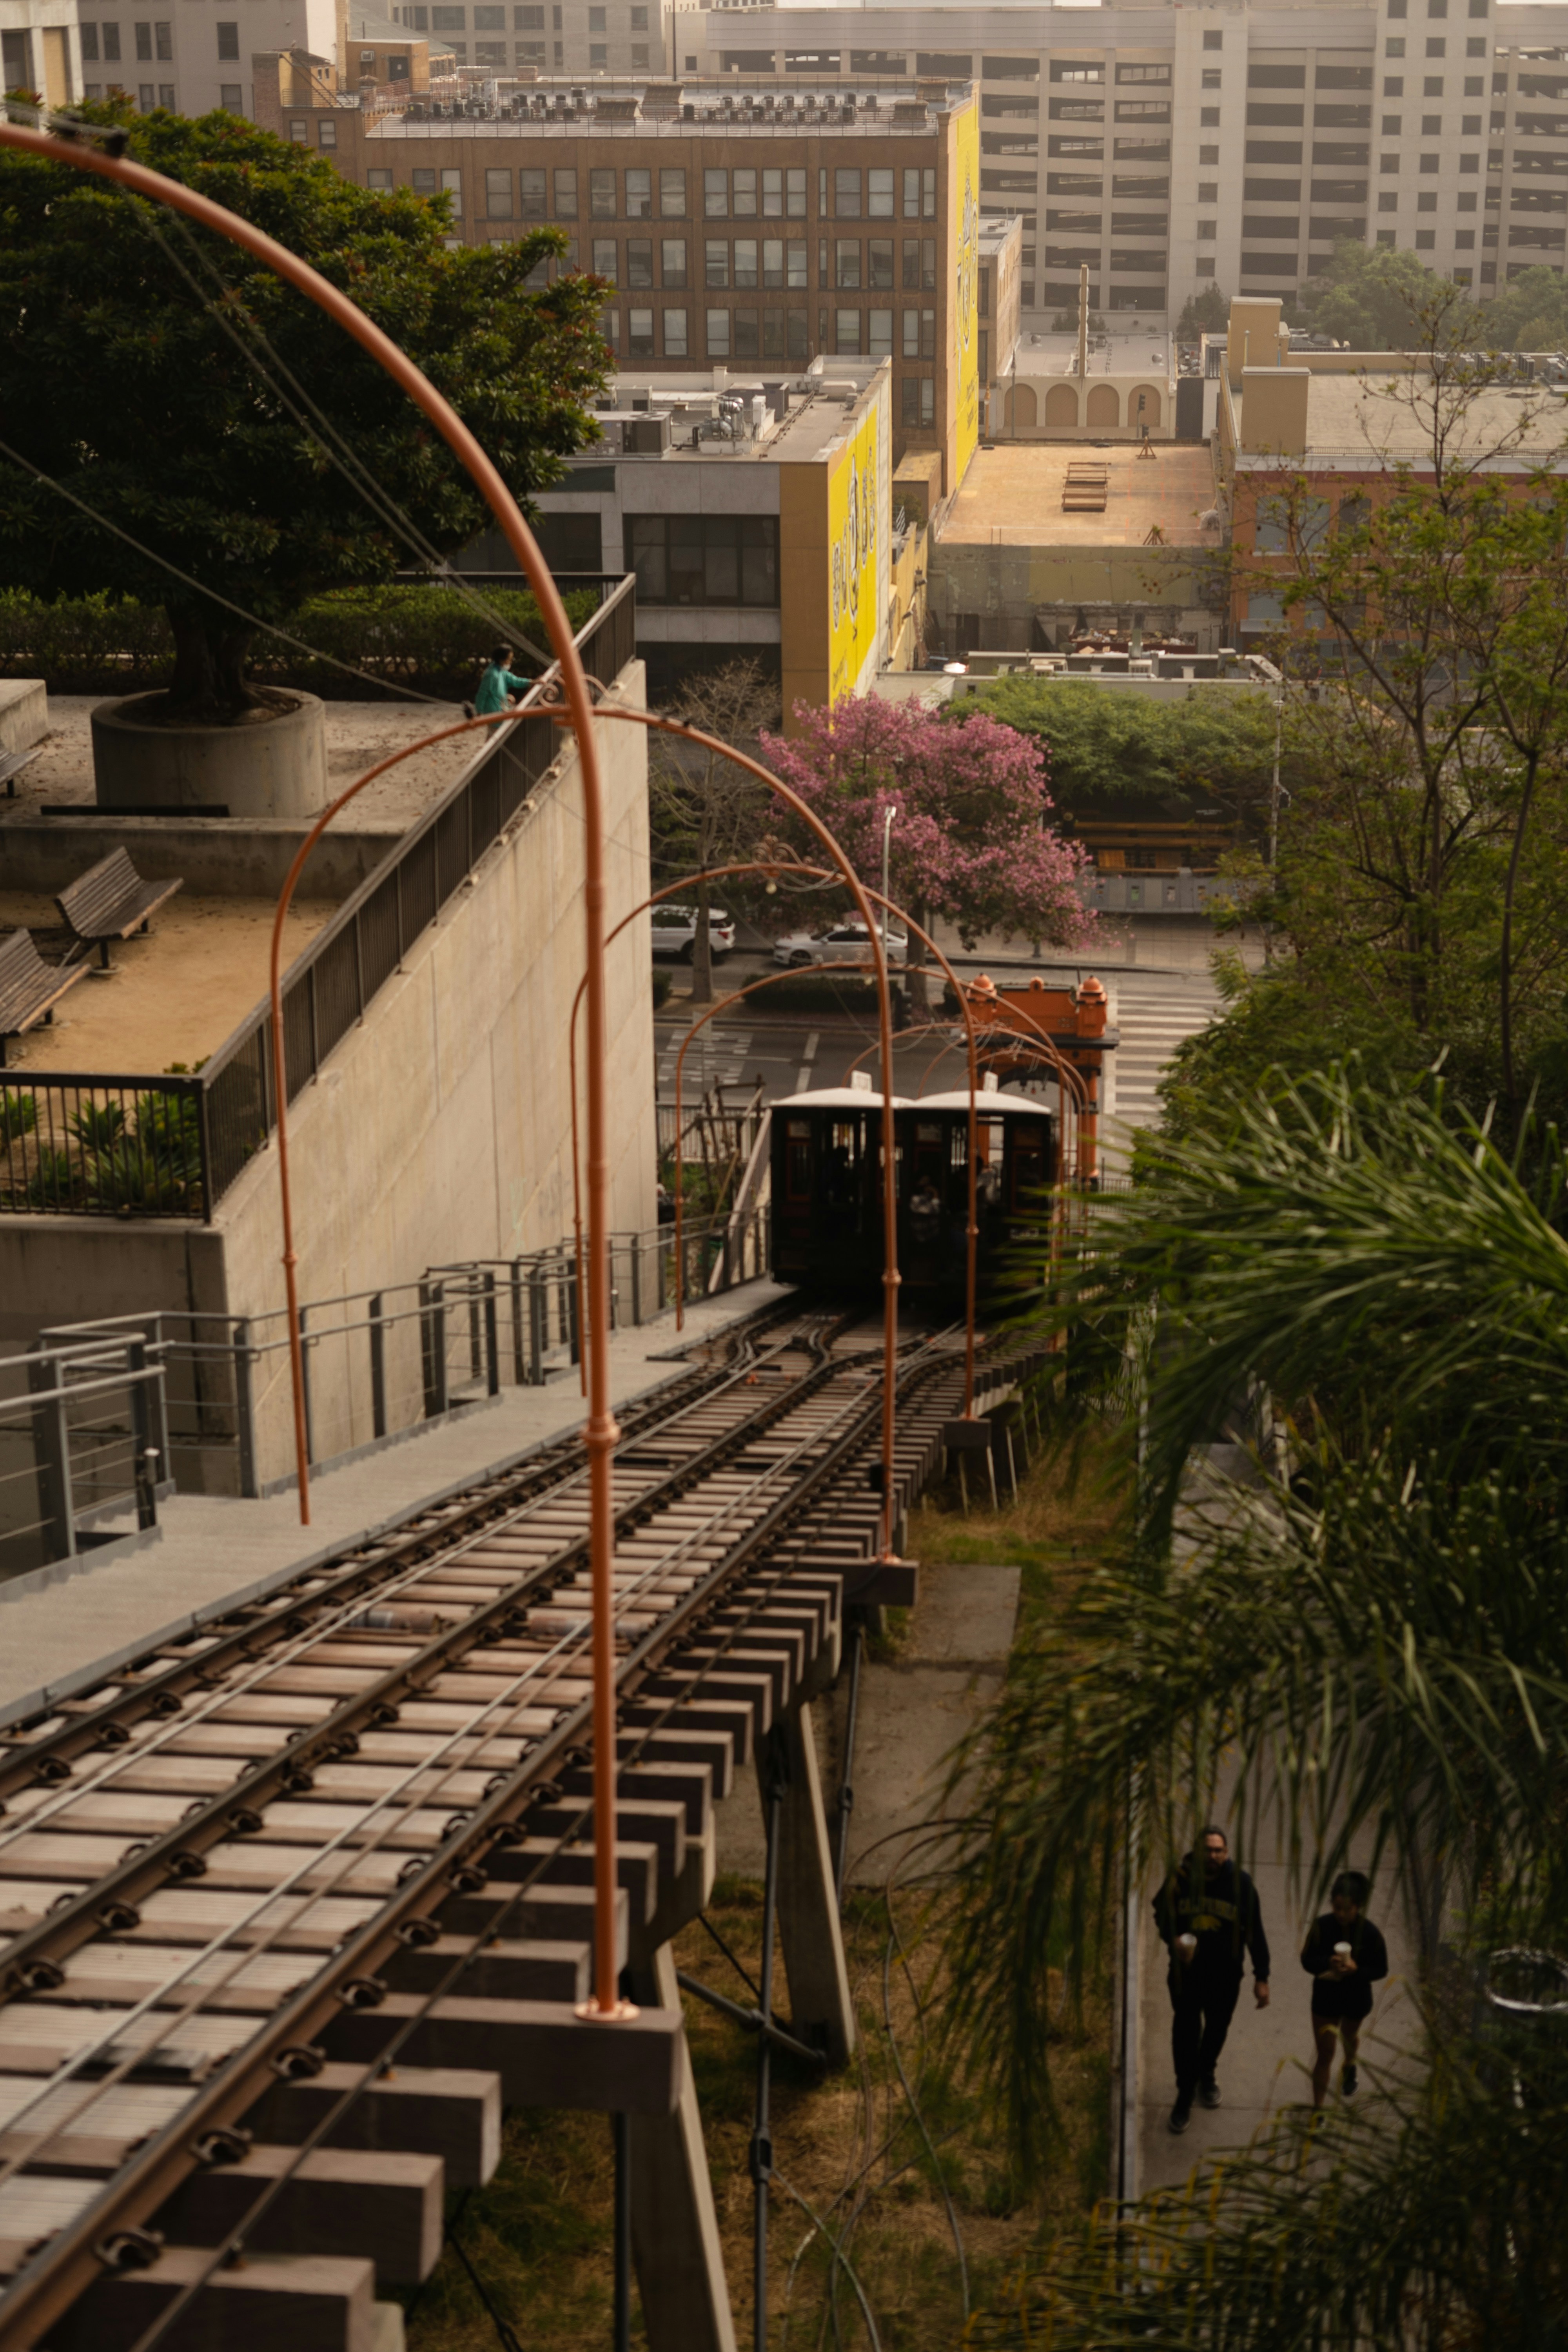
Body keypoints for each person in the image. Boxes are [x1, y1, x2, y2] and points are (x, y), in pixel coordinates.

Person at [1154, 1824, 1271, 2134]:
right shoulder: (1180, 1880)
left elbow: (1255, 1932)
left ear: (1227, 1853)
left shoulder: (1241, 1885)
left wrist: (1262, 1977)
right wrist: (1173, 1939)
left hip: (1225, 1978)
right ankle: (1184, 2093)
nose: (1213, 1856)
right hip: (1186, 1976)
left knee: (1217, 2030)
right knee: (1186, 2032)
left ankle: (1206, 2075)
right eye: (1208, 1850)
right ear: (1197, 1852)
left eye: (1219, 1851)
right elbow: (1160, 1914)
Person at [1300, 1870, 1388, 2105]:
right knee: (1325, 2054)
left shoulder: (1370, 1933)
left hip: (1355, 1998)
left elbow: (1381, 1969)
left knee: (1349, 2037)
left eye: (1347, 1909)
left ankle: (1349, 2064)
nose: (1341, 1914)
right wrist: (1327, 1963)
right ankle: (1318, 2109)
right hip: (1326, 1999)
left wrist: (1357, 1970)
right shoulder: (1322, 1926)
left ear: (1358, 1907)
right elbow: (1307, 1960)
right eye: (1337, 1908)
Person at [468, 643, 532, 719]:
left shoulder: (502, 671)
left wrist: (531, 682)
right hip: (493, 715)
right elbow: (482, 694)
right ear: (501, 660)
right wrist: (480, 712)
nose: (511, 662)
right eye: (509, 659)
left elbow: (515, 681)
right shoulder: (491, 674)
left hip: (502, 712)